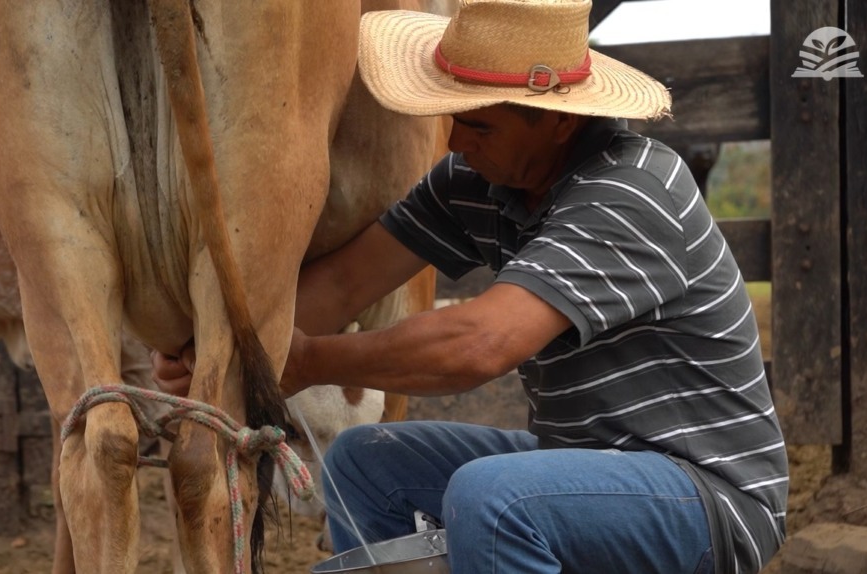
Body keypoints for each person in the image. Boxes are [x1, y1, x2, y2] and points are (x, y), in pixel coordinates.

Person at [152, 1, 788, 572]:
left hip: (709, 500)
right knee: (363, 461)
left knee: (493, 499)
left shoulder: (631, 190)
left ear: (556, 122)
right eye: (455, 116)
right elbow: (347, 281)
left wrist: (307, 362)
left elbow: (477, 345)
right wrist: (221, 351)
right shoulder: (476, 180)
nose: (456, 140)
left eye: (479, 125)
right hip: (584, 463)